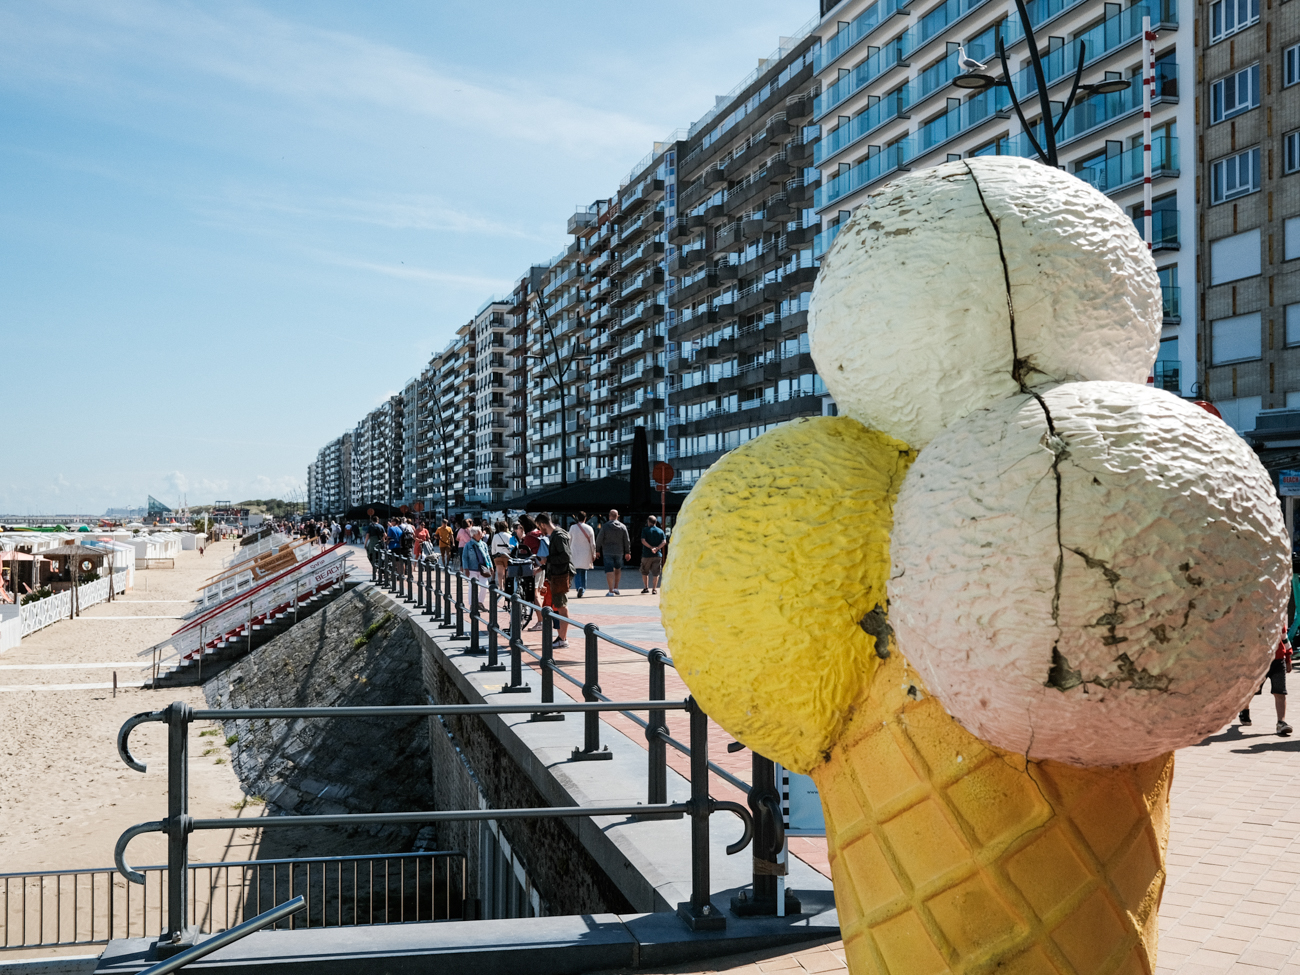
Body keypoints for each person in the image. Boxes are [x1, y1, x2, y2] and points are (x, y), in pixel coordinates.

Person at [1240, 636, 1294, 735]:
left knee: (1280, 692)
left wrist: (1288, 658)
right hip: (1259, 661)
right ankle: (1244, 709)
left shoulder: (1278, 621)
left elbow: (1284, 638)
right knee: (1252, 690)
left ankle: (1281, 722)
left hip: (1278, 660)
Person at [535, 513, 573, 648]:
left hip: (561, 576)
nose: (540, 530)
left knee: (561, 606)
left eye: (539, 527)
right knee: (559, 605)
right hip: (557, 574)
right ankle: (561, 637)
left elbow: (565, 557)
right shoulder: (557, 534)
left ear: (543, 524)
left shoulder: (558, 536)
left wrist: (547, 560)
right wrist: (543, 567)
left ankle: (562, 638)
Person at [594, 509, 631, 596]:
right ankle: (616, 587)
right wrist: (627, 552)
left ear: (609, 516)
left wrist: (597, 550)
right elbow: (627, 540)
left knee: (609, 570)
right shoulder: (623, 527)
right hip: (619, 552)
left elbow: (599, 539)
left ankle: (610, 591)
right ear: (617, 516)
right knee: (618, 569)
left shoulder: (605, 526)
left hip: (607, 551)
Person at [569, 511, 596, 598]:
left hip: (575, 552)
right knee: (584, 571)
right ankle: (583, 588)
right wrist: (593, 554)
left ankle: (578, 587)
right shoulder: (589, 528)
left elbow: (569, 540)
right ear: (585, 518)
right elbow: (593, 544)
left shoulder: (572, 528)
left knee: (576, 572)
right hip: (586, 553)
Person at [639, 515, 666, 595]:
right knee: (656, 573)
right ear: (655, 522)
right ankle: (654, 589)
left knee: (644, 571)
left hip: (646, 555)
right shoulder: (660, 531)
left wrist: (651, 548)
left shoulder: (645, 530)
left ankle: (646, 587)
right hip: (657, 555)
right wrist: (657, 548)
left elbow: (643, 541)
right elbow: (664, 542)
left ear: (648, 522)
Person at [489, 520, 514, 588]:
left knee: (500, 572)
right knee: (507, 572)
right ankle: (506, 585)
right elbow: (513, 547)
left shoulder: (495, 536)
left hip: (498, 556)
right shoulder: (510, 536)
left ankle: (500, 586)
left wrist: (493, 555)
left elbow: (493, 546)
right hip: (507, 555)